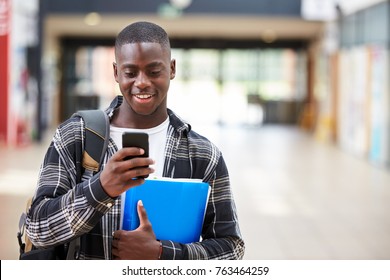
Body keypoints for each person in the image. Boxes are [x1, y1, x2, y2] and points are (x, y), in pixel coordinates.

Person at [26, 21, 245, 260]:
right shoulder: (76, 137)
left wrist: (162, 253)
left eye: (154, 71)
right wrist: (101, 188)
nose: (141, 82)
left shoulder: (203, 154)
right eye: (130, 73)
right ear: (116, 72)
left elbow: (231, 249)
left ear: (172, 69)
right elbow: (38, 229)